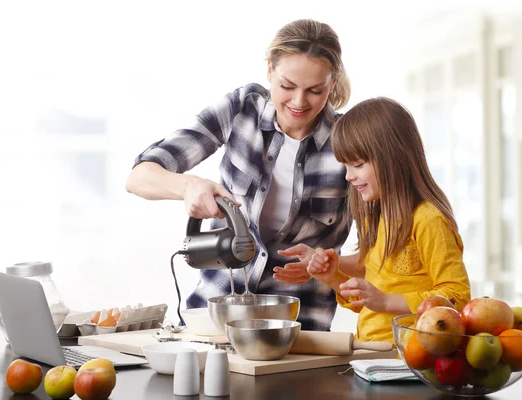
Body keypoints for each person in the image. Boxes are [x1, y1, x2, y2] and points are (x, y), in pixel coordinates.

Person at [126, 19, 352, 331]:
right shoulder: (241, 109)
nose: (299, 102)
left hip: (300, 328)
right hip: (214, 315)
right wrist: (188, 186)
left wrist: (326, 265)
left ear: (333, 81)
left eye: (315, 90)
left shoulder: (349, 140)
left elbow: (380, 251)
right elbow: (139, 177)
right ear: (270, 70)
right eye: (287, 86)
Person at [278, 97, 471, 343]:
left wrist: (384, 300)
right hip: (372, 352)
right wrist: (333, 274)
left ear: (393, 158)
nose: (349, 176)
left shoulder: (428, 220)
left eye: (357, 164)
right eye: (346, 166)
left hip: (408, 356)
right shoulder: (376, 215)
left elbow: (457, 296)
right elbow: (376, 269)